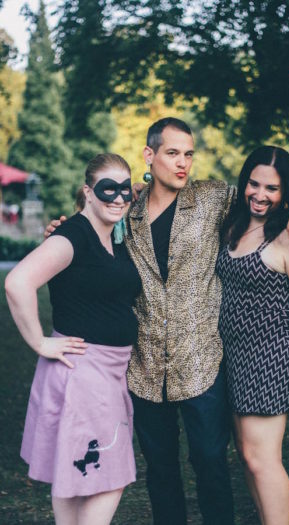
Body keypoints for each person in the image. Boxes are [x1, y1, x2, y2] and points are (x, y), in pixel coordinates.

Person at [46, 118, 289, 525]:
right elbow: (85, 228)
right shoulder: (124, 211)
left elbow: (263, 198)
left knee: (211, 461)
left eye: (189, 154)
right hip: (145, 366)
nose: (183, 163)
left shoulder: (212, 198)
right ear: (149, 156)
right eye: (173, 153)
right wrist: (61, 228)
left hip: (202, 361)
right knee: (162, 470)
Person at [5, 153, 142, 525]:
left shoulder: (110, 234)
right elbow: (17, 282)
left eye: (124, 191)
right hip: (84, 371)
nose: (117, 198)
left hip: (102, 372)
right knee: (108, 474)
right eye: (107, 189)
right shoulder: (73, 236)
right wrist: (39, 342)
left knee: (76, 471)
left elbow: (138, 191)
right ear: (87, 192)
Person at [216, 145, 289, 525]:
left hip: (270, 359)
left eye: (272, 189)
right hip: (232, 358)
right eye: (254, 183)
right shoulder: (234, 223)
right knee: (247, 456)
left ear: (286, 193)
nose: (260, 195)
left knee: (263, 459)